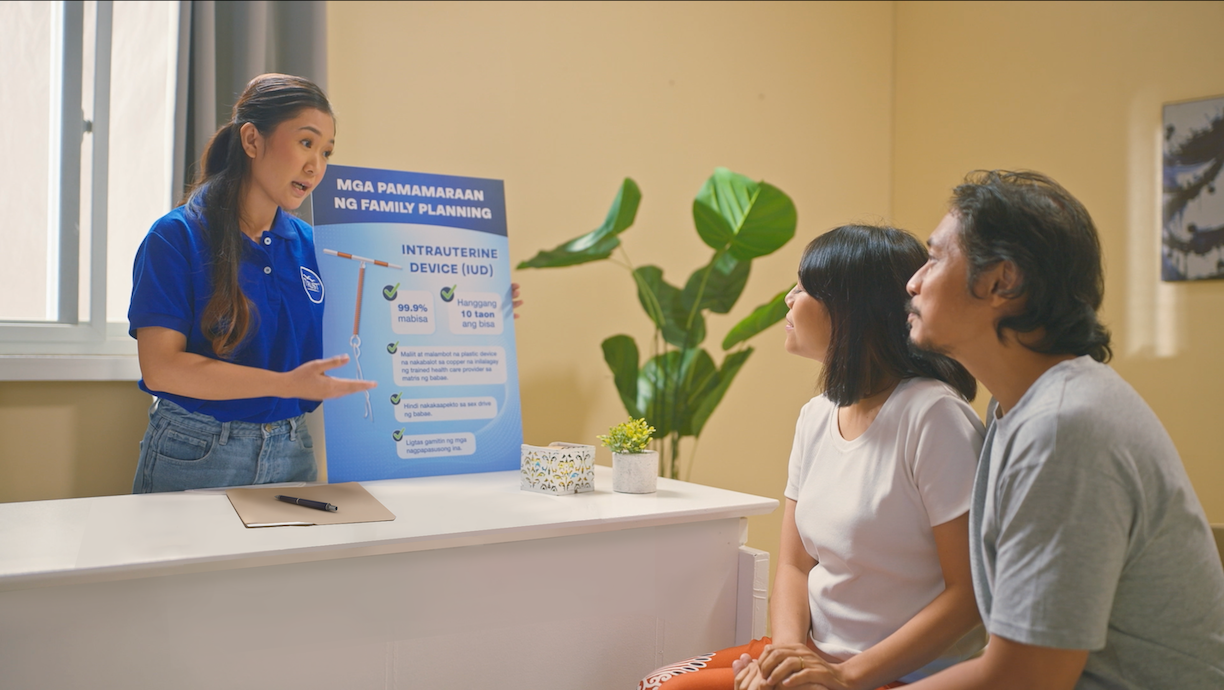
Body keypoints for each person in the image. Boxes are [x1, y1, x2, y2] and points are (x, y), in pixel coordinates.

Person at [902, 170, 1224, 689]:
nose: (913, 281)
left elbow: (1026, 678)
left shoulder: (1061, 427)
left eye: (935, 257)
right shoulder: (1020, 410)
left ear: (1001, 281)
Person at [640, 225, 987, 690]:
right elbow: (794, 566)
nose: (788, 299)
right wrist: (786, 658)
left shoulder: (934, 416)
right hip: (816, 658)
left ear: (848, 312)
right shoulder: (816, 415)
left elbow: (968, 596)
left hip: (898, 674)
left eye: (803, 288)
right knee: (661, 684)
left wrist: (843, 676)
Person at [127, 74, 375, 493]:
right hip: (197, 452)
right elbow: (161, 368)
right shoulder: (175, 237)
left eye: (327, 151)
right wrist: (282, 384)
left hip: (293, 448)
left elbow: (367, 330)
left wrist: (477, 309)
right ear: (252, 140)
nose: (316, 165)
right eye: (306, 142)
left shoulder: (314, 246)